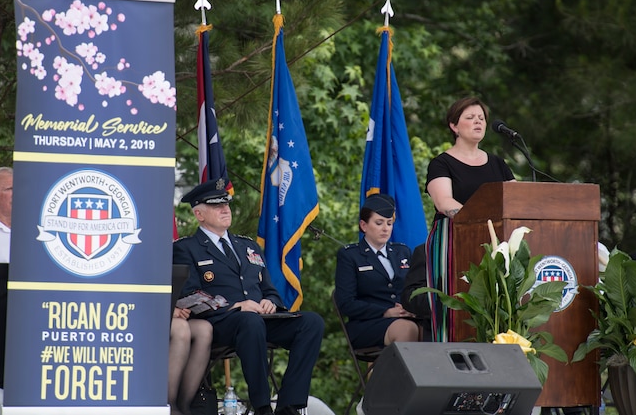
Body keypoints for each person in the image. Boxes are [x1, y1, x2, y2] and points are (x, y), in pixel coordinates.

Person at [173, 178, 324, 415]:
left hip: (258, 320)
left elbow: (270, 290)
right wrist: (235, 306)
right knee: (249, 321)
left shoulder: (248, 246)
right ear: (199, 214)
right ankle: (262, 406)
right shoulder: (186, 248)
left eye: (227, 204)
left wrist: (270, 302)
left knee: (311, 322)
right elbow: (189, 295)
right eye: (216, 206)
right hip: (221, 321)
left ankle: (289, 405)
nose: (225, 209)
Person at [425, 97, 515, 341]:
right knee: (456, 309)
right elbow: (445, 203)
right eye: (470, 117)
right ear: (454, 126)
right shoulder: (441, 163)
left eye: (481, 118)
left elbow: (518, 201)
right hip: (454, 242)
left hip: (498, 245)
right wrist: (483, 223)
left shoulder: (497, 164)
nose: (478, 122)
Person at [334, 194, 421, 349]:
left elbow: (414, 289)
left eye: (389, 223)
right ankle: (396, 374)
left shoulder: (402, 252)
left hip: (406, 318)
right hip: (368, 323)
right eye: (379, 223)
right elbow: (346, 303)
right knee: (407, 330)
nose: (385, 228)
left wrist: (412, 310)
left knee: (436, 327)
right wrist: (386, 312)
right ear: (364, 225)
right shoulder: (350, 255)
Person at [168, 306, 213, 415]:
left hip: (175, 314)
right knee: (181, 329)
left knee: (204, 329)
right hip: (146, 315)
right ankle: (170, 405)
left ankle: (184, 405)